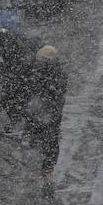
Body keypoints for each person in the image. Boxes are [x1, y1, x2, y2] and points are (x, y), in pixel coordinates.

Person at [26, 45, 68, 181]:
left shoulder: (54, 74)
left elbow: (55, 92)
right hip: (42, 111)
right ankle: (46, 168)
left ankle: (47, 169)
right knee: (45, 139)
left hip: (48, 112)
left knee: (49, 140)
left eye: (40, 61)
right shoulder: (43, 71)